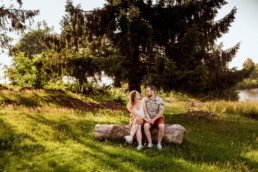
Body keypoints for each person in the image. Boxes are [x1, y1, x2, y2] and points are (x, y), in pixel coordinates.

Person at [143, 85, 165, 150]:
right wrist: (149, 119)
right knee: (145, 126)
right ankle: (150, 143)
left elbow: (161, 112)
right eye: (146, 91)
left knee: (161, 127)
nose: (146, 93)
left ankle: (159, 143)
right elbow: (145, 111)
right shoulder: (145, 99)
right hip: (149, 117)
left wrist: (154, 119)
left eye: (148, 91)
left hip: (158, 117)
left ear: (152, 91)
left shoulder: (160, 100)